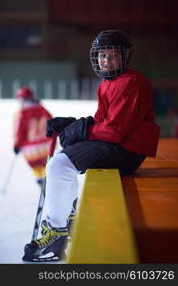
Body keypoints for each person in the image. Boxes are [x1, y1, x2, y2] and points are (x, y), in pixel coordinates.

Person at [22, 30, 160, 262]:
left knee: (59, 165)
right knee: (63, 158)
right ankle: (71, 216)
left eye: (112, 55)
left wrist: (82, 130)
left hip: (127, 150)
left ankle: (56, 234)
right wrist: (74, 125)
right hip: (119, 145)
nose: (106, 60)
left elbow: (115, 131)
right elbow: (102, 123)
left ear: (124, 57)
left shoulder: (131, 83)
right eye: (101, 56)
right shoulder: (107, 84)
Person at [13, 86, 55, 186]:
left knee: (36, 167)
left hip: (31, 149)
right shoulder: (42, 109)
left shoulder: (21, 112)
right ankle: (47, 180)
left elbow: (20, 131)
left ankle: (40, 180)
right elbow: (52, 123)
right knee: (47, 165)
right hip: (47, 145)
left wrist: (17, 145)